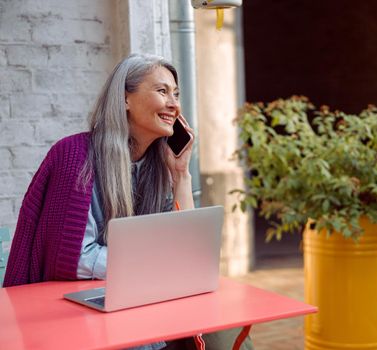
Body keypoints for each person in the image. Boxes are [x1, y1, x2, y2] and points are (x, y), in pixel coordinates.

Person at [3, 53, 253, 350]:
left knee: (228, 332)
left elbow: (188, 254)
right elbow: (72, 258)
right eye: (162, 91)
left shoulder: (158, 164)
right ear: (125, 99)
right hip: (74, 303)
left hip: (137, 294)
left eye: (176, 93)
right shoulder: (75, 157)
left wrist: (182, 174)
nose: (174, 103)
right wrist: (154, 267)